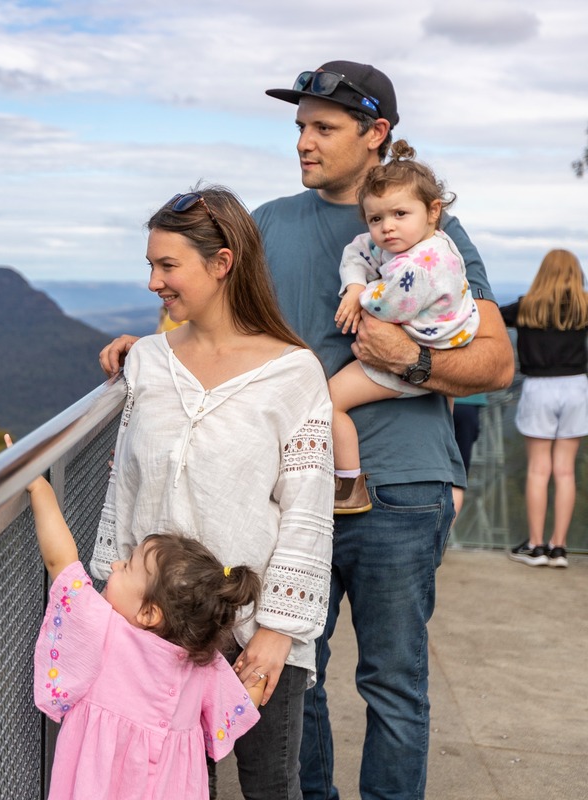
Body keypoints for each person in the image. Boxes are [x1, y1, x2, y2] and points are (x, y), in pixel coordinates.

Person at [100, 61, 515, 800]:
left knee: (393, 684)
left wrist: (411, 360)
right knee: (297, 677)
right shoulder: (269, 222)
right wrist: (151, 347)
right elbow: (214, 313)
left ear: (375, 133)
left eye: (323, 127)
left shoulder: (429, 232)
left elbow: (494, 361)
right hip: (291, 500)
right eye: (299, 127)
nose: (304, 142)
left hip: (399, 488)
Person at [92, 186, 335, 800]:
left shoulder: (293, 374)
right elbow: (127, 488)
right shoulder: (146, 362)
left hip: (252, 630)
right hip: (157, 631)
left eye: (167, 265)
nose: (153, 282)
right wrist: (110, 602)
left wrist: (280, 631)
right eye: (150, 265)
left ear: (222, 263)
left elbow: (307, 512)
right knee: (167, 786)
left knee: (269, 789)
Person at [9, 434, 267, 800]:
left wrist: (38, 487)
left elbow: (60, 561)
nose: (114, 564)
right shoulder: (201, 659)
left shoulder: (105, 629)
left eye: (126, 566)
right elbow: (239, 704)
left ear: (149, 613)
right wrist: (256, 679)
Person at [329, 140, 478, 513]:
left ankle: (348, 484)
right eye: (376, 218)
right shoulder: (417, 241)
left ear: (433, 211)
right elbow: (356, 252)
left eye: (399, 214)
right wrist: (356, 282)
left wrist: (359, 296)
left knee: (330, 400)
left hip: (414, 357)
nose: (387, 228)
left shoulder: (421, 265)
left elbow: (384, 310)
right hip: (439, 340)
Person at [500, 249, 588, 568]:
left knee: (539, 469)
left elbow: (487, 316)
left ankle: (535, 546)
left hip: (538, 388)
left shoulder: (526, 306)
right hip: (577, 387)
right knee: (565, 471)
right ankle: (559, 547)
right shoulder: (584, 307)